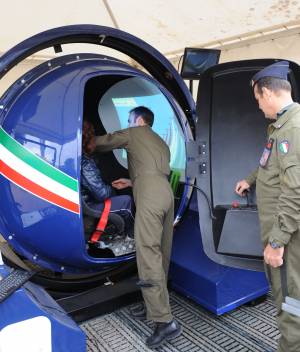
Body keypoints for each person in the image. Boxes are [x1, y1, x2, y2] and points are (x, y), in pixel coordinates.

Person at [95, 106, 181, 348]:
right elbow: (154, 172)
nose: (128, 123)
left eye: (129, 120)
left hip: (150, 197)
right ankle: (151, 304)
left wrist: (83, 138)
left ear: (139, 120)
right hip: (166, 194)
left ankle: (165, 322)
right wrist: (132, 181)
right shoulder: (160, 142)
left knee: (148, 254)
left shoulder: (134, 133)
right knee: (161, 253)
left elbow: (104, 142)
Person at [235, 61, 300, 352]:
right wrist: (250, 179)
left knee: (290, 302)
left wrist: (276, 242)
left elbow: (296, 189)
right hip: (286, 230)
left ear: (267, 92)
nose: (259, 106)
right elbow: (270, 165)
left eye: (258, 99)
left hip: (288, 235)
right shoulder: (281, 126)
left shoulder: (291, 129)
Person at [81, 121, 134, 239]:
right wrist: (112, 188)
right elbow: (102, 194)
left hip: (84, 203)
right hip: (90, 206)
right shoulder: (85, 162)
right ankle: (130, 238)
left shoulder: (78, 158)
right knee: (126, 201)